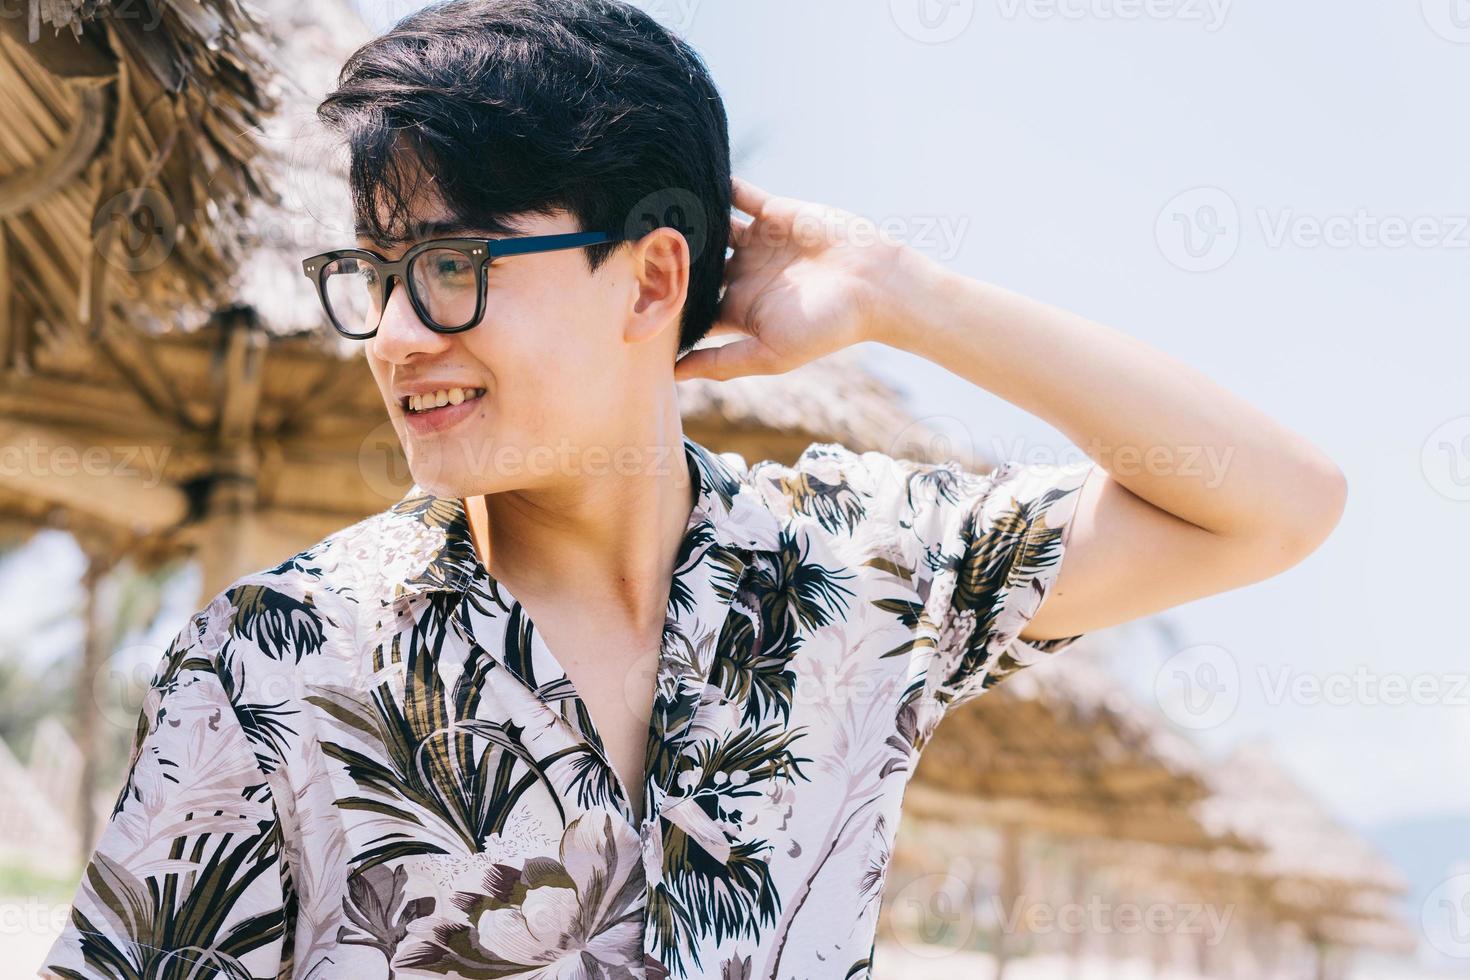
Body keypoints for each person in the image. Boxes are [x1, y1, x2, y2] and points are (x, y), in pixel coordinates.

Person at [40, 1, 1346, 977]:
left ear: (652, 279)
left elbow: (1270, 503)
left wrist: (908, 296)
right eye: (372, 275)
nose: (391, 334)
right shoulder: (274, 662)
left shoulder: (851, 573)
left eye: (445, 266)